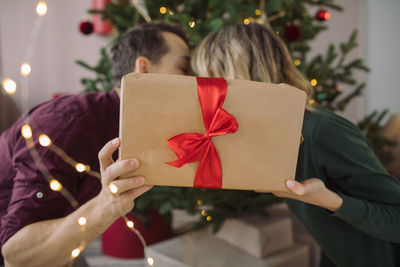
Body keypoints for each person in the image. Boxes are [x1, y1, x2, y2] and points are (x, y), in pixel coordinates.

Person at [191, 23, 400, 267]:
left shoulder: (323, 132)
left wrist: (329, 200)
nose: (207, 98)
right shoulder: (264, 136)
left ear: (241, 78)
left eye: (211, 82)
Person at [0, 23, 191, 266]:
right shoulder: (65, 125)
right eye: (184, 68)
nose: (194, 82)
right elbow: (17, 255)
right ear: (143, 68)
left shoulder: (136, 127)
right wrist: (106, 205)